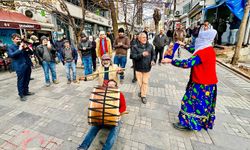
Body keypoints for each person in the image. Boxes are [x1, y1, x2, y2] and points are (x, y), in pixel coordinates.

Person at [162, 23, 218, 131]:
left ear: (202, 39)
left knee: (189, 102)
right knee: (199, 106)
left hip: (202, 85)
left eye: (198, 38)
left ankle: (186, 124)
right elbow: (195, 50)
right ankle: (194, 124)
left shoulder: (205, 52)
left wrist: (171, 61)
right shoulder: (207, 49)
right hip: (205, 83)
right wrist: (184, 45)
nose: (197, 40)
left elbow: (188, 63)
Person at [77, 79, 127, 150]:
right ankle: (83, 147)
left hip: (114, 117)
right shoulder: (103, 92)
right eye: (109, 85)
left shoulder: (119, 94)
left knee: (115, 132)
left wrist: (118, 113)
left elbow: (124, 107)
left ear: (116, 86)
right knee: (93, 128)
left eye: (113, 85)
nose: (111, 86)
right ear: (107, 86)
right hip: (102, 116)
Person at [7, 33, 34, 101]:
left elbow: (31, 53)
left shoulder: (23, 45)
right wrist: (19, 49)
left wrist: (27, 48)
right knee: (21, 80)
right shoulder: (10, 47)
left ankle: (26, 91)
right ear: (12, 40)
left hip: (27, 64)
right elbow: (11, 55)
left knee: (27, 79)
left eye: (19, 39)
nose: (19, 40)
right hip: (19, 66)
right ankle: (21, 94)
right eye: (17, 39)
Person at [131, 32, 155, 104]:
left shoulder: (150, 46)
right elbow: (132, 56)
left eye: (146, 37)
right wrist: (141, 54)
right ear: (139, 38)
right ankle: (142, 91)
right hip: (138, 68)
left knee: (145, 82)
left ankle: (143, 96)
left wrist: (153, 60)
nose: (145, 39)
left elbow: (154, 55)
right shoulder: (135, 47)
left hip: (147, 68)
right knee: (140, 82)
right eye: (143, 37)